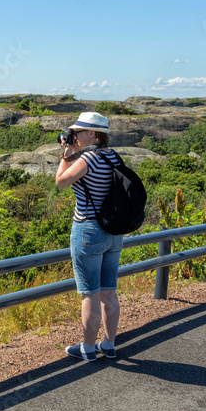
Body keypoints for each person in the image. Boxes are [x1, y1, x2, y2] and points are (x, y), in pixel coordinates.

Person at [55, 111, 123, 362]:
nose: (75, 137)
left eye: (79, 132)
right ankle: (109, 344)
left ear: (92, 134)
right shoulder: (113, 156)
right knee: (109, 292)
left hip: (88, 230)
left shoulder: (89, 158)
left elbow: (61, 182)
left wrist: (66, 154)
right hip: (113, 231)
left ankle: (87, 348)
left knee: (91, 294)